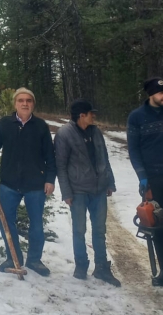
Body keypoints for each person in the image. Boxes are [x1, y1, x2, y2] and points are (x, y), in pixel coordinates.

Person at [0, 87, 56, 277]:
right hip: (9, 183)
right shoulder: (5, 124)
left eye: (28, 101)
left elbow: (50, 156)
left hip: (35, 184)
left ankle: (35, 260)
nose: (25, 103)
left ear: (33, 104)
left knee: (36, 224)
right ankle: (13, 257)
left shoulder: (40, 126)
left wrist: (50, 179)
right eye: (21, 100)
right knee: (6, 222)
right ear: (15, 103)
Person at [54, 100, 120, 286]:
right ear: (81, 115)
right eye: (91, 113)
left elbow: (104, 157)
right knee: (79, 230)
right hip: (78, 190)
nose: (94, 116)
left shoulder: (96, 132)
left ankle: (101, 268)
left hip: (99, 189)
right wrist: (66, 192)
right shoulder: (64, 134)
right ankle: (81, 266)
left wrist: (110, 182)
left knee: (100, 230)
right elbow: (60, 165)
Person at [127, 77, 163, 287]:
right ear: (150, 94)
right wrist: (142, 175)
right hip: (151, 180)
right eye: (161, 93)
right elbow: (133, 149)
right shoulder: (136, 117)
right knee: (156, 225)